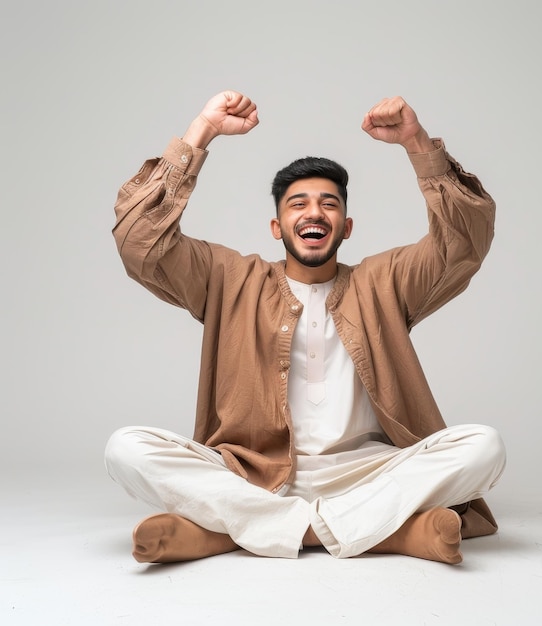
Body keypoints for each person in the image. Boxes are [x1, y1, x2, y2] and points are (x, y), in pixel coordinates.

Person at [105, 90, 506, 565]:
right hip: (252, 472)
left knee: (485, 446)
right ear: (277, 227)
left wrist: (417, 143)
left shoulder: (386, 281)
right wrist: (201, 132)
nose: (313, 213)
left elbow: (464, 242)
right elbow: (139, 243)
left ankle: (230, 531)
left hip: (371, 471)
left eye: (328, 204)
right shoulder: (228, 278)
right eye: (297, 204)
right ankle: (385, 531)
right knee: (124, 448)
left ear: (346, 225)